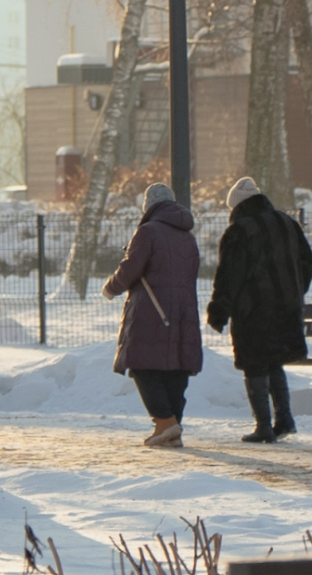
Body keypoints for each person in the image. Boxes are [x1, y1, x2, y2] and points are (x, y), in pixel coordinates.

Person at [207, 177, 312, 444]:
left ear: (237, 206)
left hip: (253, 310)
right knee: (275, 360)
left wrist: (219, 310)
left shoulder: (240, 231)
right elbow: (306, 261)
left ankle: (263, 426)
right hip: (287, 307)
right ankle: (285, 418)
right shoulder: (287, 222)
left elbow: (229, 275)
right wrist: (295, 291)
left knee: (255, 364)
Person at [102, 183, 203, 448]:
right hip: (183, 311)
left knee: (142, 364)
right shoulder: (188, 237)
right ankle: (170, 426)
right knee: (175, 366)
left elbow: (131, 268)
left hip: (151, 309)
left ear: (148, 206)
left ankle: (165, 422)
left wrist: (111, 287)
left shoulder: (147, 232)